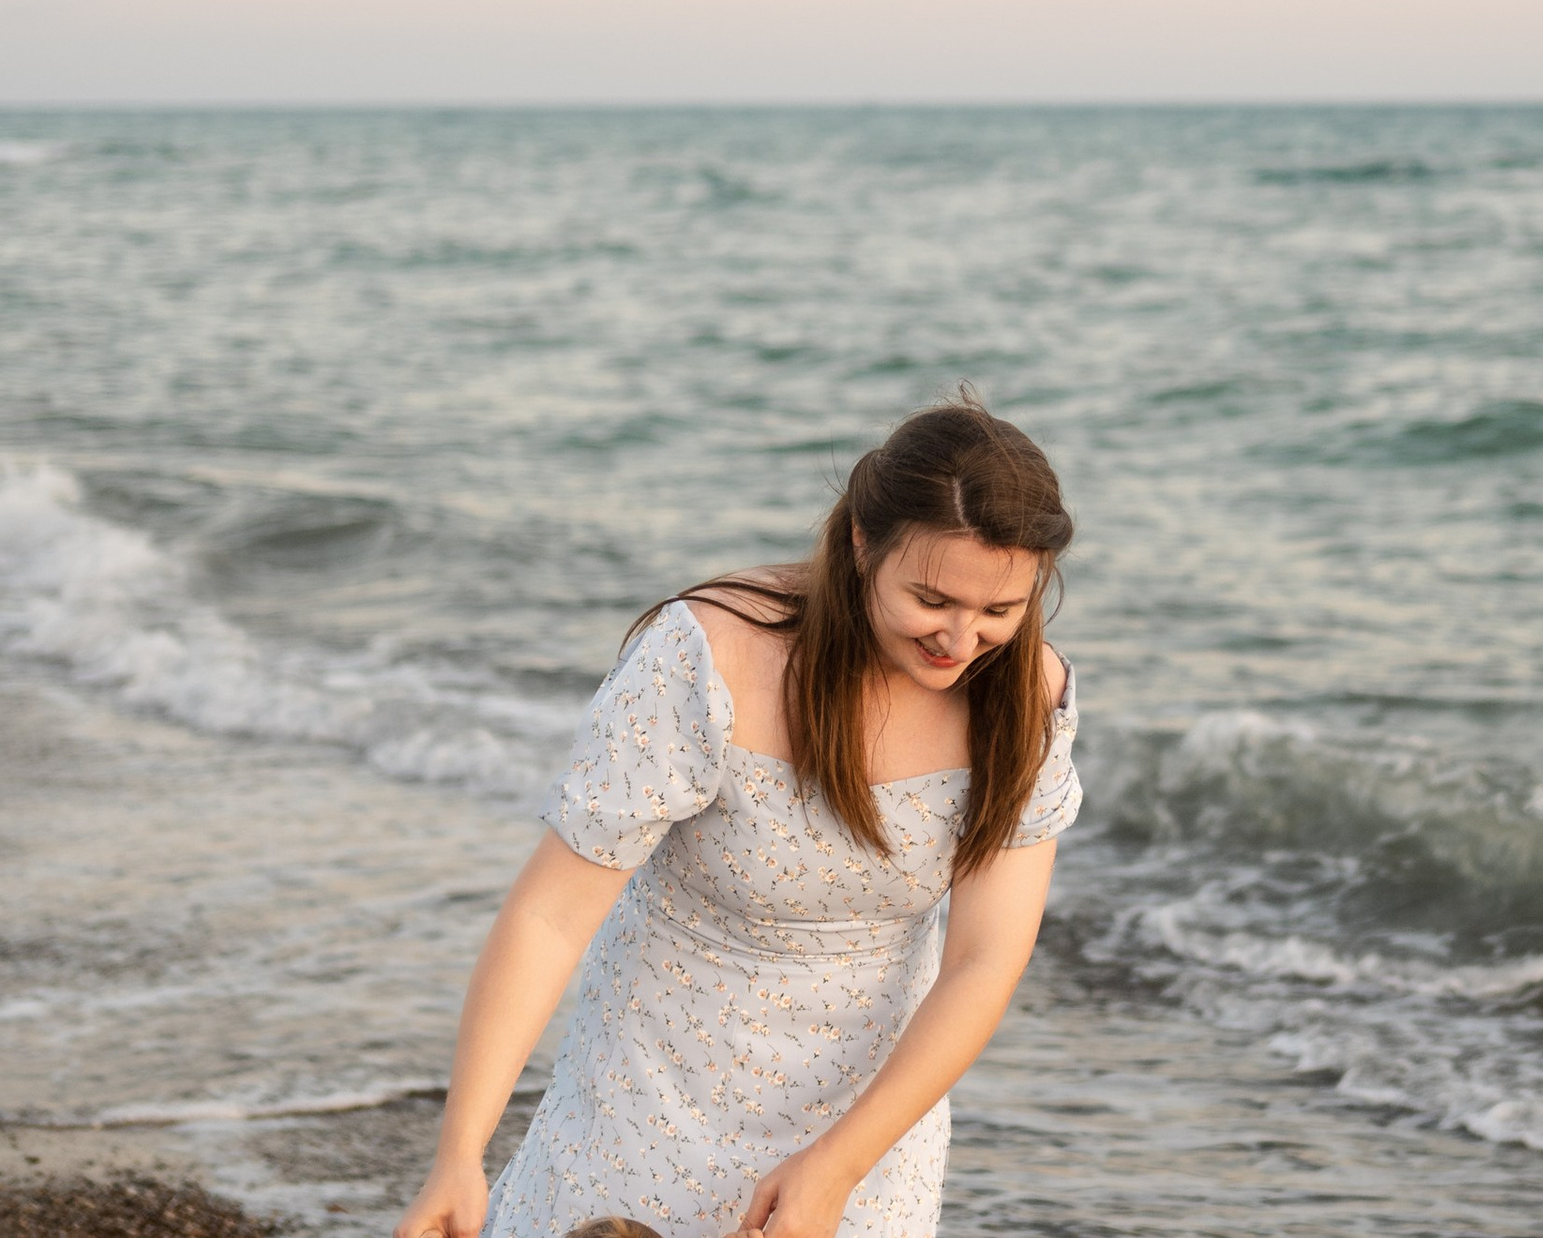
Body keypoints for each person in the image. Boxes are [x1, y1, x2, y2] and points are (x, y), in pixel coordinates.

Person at [393, 395, 1083, 1238]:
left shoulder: (1026, 693)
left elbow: (984, 959)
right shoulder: (710, 652)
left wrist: (838, 1164)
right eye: (932, 598)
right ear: (863, 542)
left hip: (870, 1116)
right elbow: (550, 913)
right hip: (650, 1092)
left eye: (1000, 611)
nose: (961, 636)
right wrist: (460, 1151)